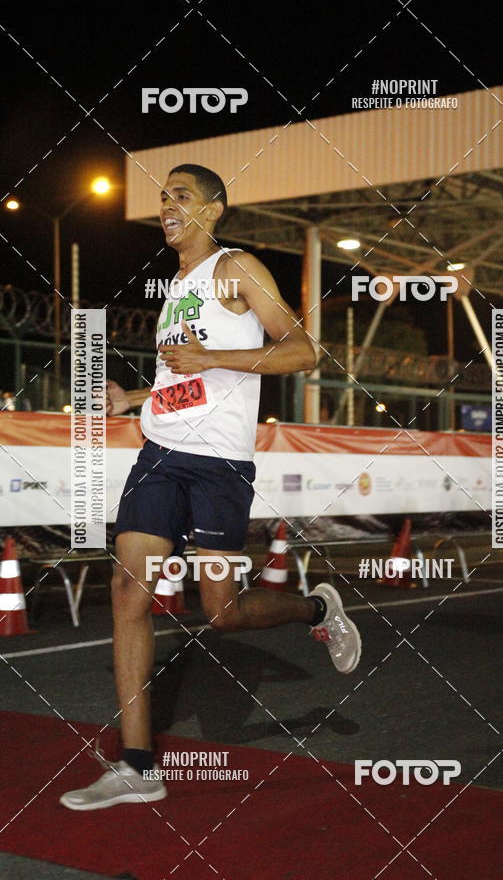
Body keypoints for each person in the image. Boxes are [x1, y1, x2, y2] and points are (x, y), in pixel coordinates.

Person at [60, 163, 361, 810]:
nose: (168, 205)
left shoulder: (238, 269)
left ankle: (315, 609)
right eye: (164, 196)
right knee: (126, 589)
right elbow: (188, 379)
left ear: (215, 210)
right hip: (162, 453)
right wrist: (132, 397)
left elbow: (302, 351)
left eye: (183, 196)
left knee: (221, 612)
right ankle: (138, 765)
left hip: (220, 465)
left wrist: (213, 357)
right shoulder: (176, 287)